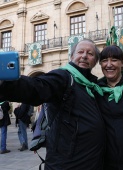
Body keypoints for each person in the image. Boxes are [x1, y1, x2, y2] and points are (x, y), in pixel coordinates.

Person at [0, 39, 105, 170]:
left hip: (90, 162)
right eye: (80, 52)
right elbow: (36, 88)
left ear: (95, 61)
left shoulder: (94, 86)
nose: (84, 56)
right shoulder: (64, 77)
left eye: (90, 53)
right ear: (72, 56)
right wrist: (4, 84)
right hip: (67, 164)